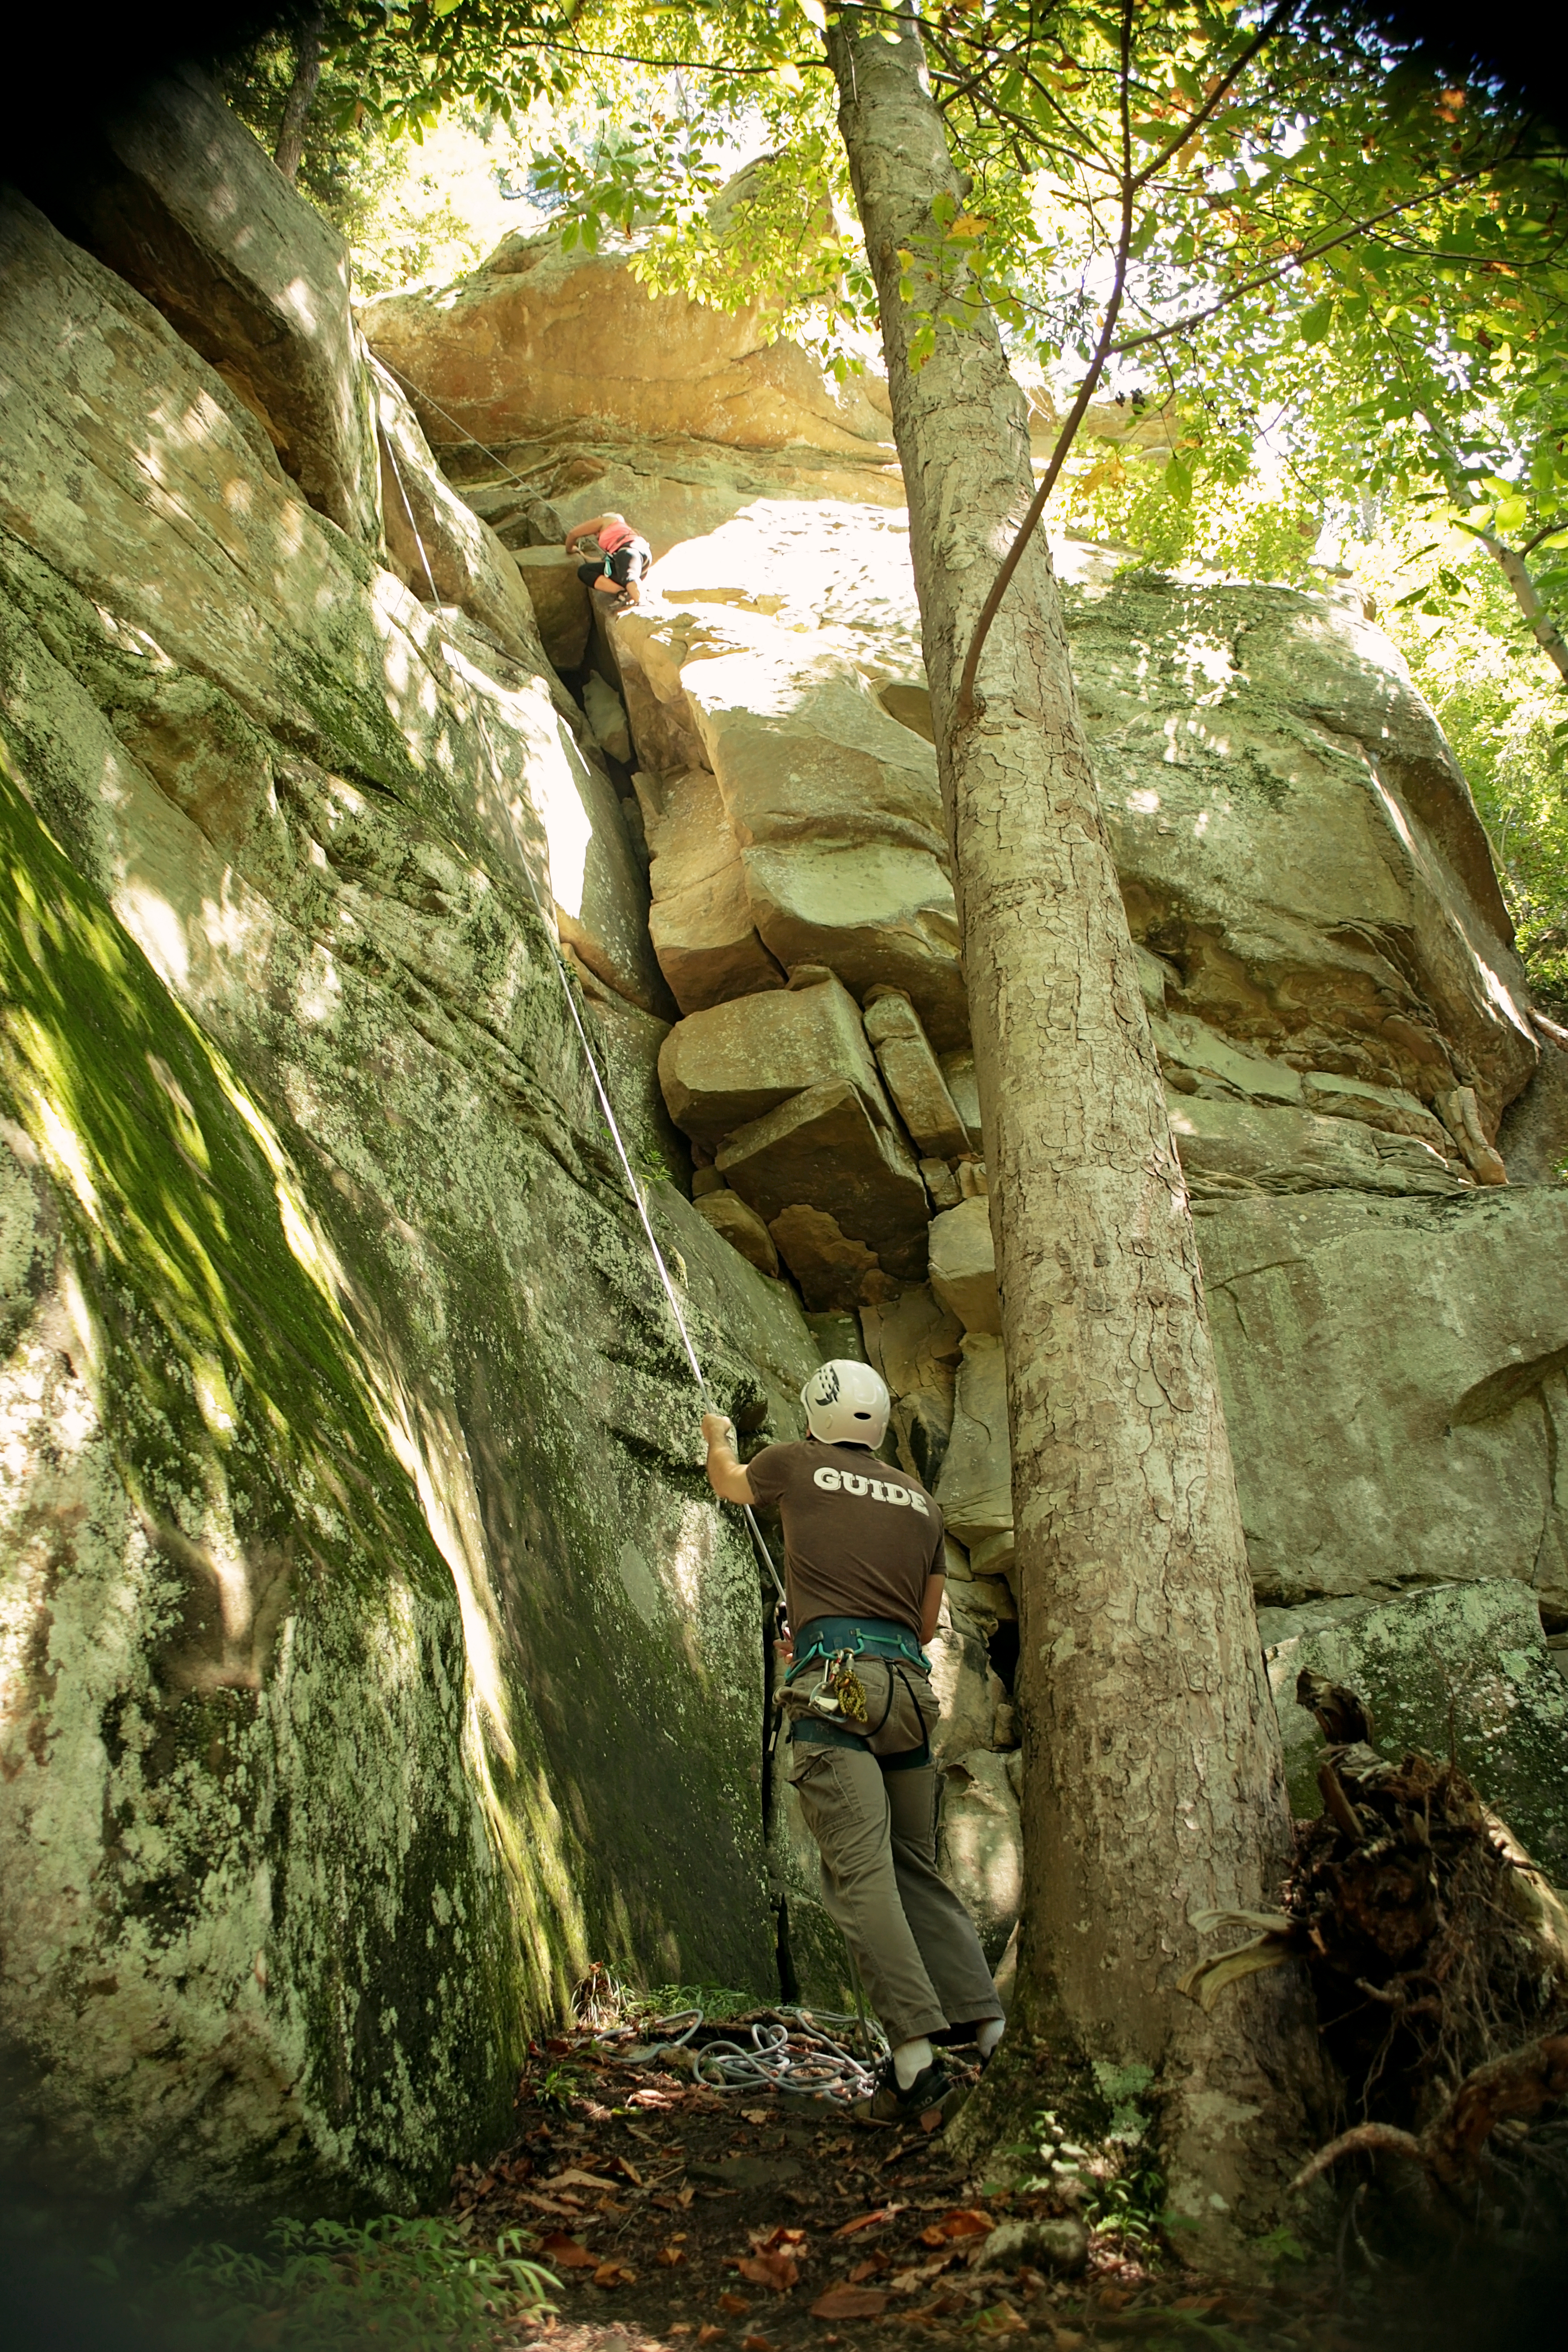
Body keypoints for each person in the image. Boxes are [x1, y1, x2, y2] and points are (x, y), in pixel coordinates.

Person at [701, 1359, 1006, 2122]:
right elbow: (927, 1621)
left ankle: (914, 2061)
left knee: (860, 1872)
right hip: (904, 1691)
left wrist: (716, 1435)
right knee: (913, 1865)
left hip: (839, 1687)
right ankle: (993, 2029)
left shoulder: (794, 1462)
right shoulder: (920, 1501)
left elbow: (729, 1484)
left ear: (816, 1413)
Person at [564, 512, 652, 610]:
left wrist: (570, 549)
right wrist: (583, 556)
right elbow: (607, 563)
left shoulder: (607, 520)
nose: (595, 535)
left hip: (630, 550)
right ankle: (623, 592)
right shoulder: (620, 539)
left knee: (629, 576)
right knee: (585, 571)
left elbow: (573, 533)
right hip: (637, 560)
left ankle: (642, 603)